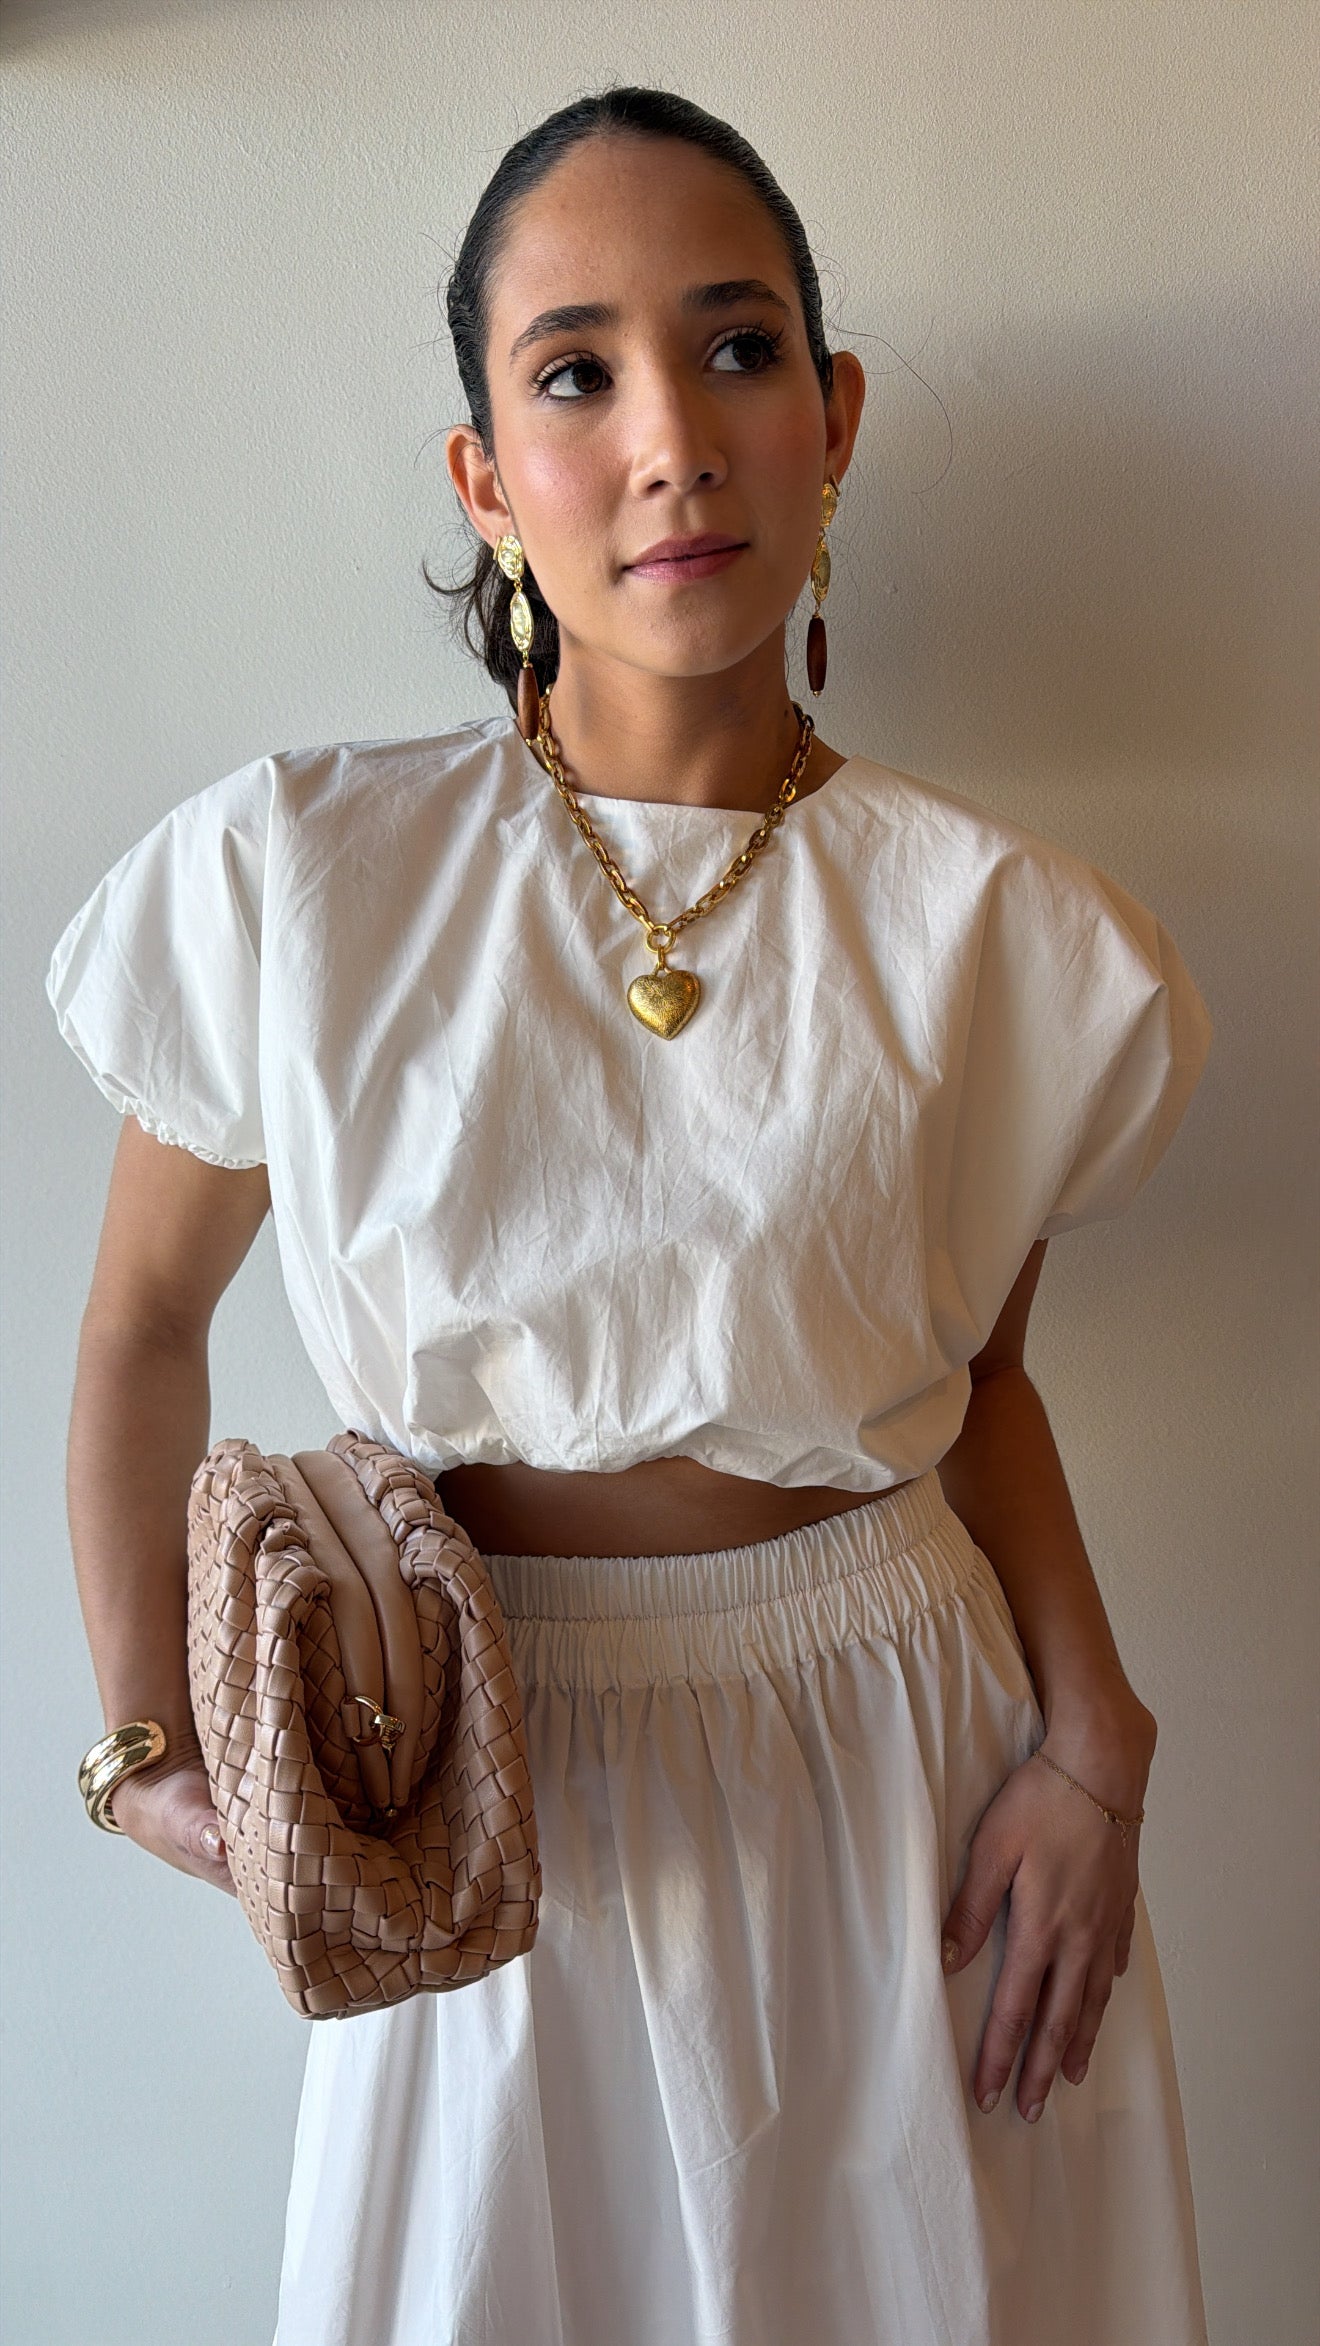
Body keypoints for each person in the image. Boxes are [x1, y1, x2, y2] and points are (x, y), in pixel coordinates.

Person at [46, 85, 1213, 2346]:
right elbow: (133, 1330)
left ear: (834, 417)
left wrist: (1096, 1744)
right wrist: (140, 1744)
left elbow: (977, 1389)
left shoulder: (1005, 934)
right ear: (486, 478)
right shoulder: (295, 885)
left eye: (742, 346)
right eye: (574, 372)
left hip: (900, 1776)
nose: (672, 434)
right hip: (470, 1788)